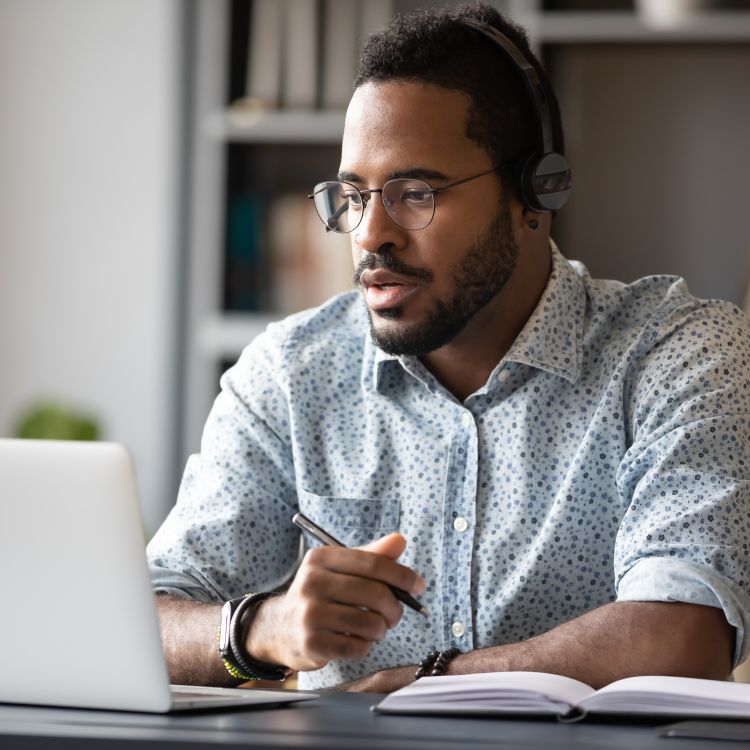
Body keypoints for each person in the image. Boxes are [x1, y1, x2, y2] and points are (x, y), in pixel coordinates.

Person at [147, 3, 750, 693]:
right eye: (353, 195)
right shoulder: (291, 375)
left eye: (415, 193)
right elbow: (145, 621)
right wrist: (262, 629)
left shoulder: (675, 353)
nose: (372, 234)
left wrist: (431, 680)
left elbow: (682, 634)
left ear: (536, 190)